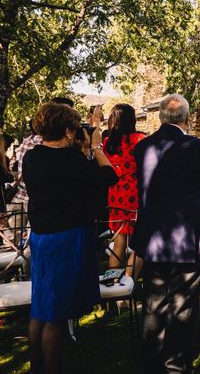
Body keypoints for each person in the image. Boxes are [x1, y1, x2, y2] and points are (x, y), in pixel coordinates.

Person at [131, 94, 200, 373]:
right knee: (181, 307)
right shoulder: (196, 147)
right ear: (186, 118)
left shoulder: (143, 147)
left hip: (154, 239)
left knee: (153, 303)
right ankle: (175, 366)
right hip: (186, 239)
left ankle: (150, 364)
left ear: (161, 117)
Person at [23, 102, 117, 374]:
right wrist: (96, 147)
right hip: (65, 239)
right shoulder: (69, 160)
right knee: (56, 314)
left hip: (41, 238)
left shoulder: (32, 157)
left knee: (41, 307)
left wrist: (81, 148)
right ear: (67, 131)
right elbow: (109, 176)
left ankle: (36, 367)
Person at [102, 104, 146, 274]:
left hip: (115, 193)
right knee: (140, 244)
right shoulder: (139, 139)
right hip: (135, 193)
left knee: (119, 242)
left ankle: (114, 284)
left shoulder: (108, 143)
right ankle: (128, 282)